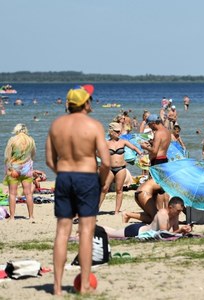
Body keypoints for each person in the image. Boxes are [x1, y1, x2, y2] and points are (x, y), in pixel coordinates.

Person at [46, 85, 111, 295]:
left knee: (62, 232)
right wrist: (100, 181)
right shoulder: (94, 126)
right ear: (85, 104)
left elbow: (49, 159)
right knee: (85, 232)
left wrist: (63, 173)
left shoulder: (56, 125)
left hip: (64, 177)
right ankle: (83, 286)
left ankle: (56, 287)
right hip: (87, 178)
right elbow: (107, 162)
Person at [99, 122, 143, 215]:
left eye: (119, 131)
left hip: (121, 168)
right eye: (117, 131)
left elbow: (134, 148)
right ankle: (96, 209)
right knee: (104, 188)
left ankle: (116, 211)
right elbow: (96, 152)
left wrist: (141, 154)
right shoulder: (106, 143)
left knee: (119, 190)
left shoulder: (123, 141)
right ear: (111, 132)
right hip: (110, 168)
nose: (119, 133)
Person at [104, 197, 192, 238]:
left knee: (113, 232)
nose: (179, 213)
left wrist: (184, 230)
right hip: (137, 231)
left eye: (180, 211)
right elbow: (163, 233)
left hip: (143, 229)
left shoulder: (175, 215)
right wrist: (180, 230)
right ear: (170, 207)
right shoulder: (162, 214)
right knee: (112, 234)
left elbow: (174, 233)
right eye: (178, 210)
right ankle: (96, 228)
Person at [4, 123, 36, 221]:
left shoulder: (13, 139)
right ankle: (31, 216)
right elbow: (33, 154)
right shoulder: (31, 140)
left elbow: (7, 156)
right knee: (28, 193)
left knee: (12, 193)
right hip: (27, 169)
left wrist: (8, 169)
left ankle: (12, 217)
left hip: (14, 168)